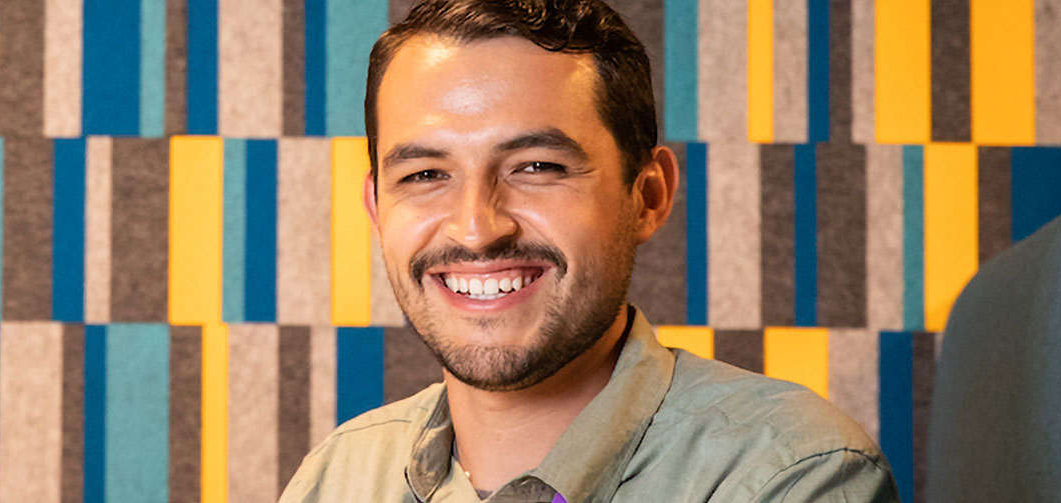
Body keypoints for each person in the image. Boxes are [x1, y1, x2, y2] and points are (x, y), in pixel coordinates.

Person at [278, 1, 898, 501]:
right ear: (376, 208)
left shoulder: (786, 475)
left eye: (537, 166)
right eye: (424, 175)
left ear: (647, 195)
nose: (474, 228)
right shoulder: (339, 476)